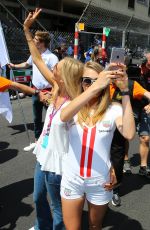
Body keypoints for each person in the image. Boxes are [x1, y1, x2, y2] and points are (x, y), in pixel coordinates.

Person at [23, 9, 84, 230]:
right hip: (43, 152)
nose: (52, 68)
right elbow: (37, 59)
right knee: (38, 197)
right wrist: (27, 30)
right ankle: (42, 226)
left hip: (60, 160)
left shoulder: (77, 101)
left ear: (65, 75)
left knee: (59, 206)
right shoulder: (57, 87)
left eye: (56, 68)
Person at [59, 62, 135, 230]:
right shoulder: (72, 106)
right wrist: (96, 85)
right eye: (87, 81)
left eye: (97, 80)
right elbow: (63, 117)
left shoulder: (113, 109)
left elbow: (129, 134)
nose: (92, 85)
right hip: (72, 179)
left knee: (95, 226)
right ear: (80, 82)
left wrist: (125, 91)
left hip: (100, 180)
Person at [9, 29, 58, 152]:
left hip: (48, 92)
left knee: (51, 119)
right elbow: (26, 64)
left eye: (35, 40)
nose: (33, 41)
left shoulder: (52, 57)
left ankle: (50, 142)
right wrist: (14, 66)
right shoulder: (34, 54)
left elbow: (57, 77)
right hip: (35, 91)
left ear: (41, 43)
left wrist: (53, 92)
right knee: (37, 118)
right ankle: (37, 140)